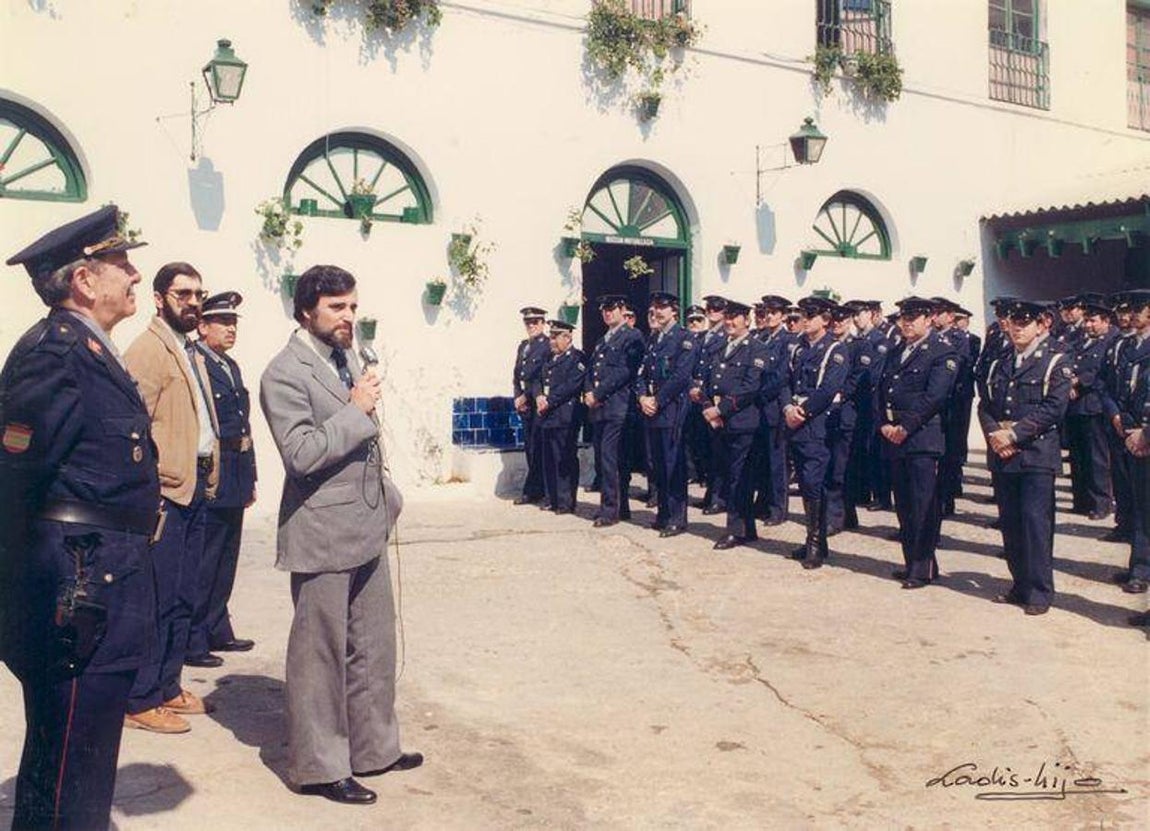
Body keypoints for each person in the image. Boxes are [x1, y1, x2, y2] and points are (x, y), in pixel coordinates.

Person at [1, 205, 159, 831]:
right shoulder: (55, 353)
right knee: (71, 762)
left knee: (75, 760)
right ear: (85, 280)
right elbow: (13, 481)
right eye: (123, 264)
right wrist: (32, 596)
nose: (136, 275)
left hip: (99, 585)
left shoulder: (94, 349)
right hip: (74, 592)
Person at [260, 264, 417, 806]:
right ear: (306, 311)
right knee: (321, 652)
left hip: (366, 522)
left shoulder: (345, 356)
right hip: (322, 529)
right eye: (337, 308)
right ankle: (321, 766)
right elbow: (301, 454)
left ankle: (375, 748)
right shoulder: (284, 372)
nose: (349, 317)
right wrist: (355, 411)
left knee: (373, 643)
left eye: (352, 306)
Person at [123, 261, 220, 733]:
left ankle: (167, 684)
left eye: (199, 293)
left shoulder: (189, 349)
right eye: (184, 294)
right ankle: (140, 697)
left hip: (196, 486)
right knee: (156, 598)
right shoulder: (148, 351)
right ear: (160, 299)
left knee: (184, 594)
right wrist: (149, 489)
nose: (194, 302)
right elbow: (131, 429)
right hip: (165, 493)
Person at [978, 299, 1072, 614]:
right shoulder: (999, 361)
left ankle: (1039, 592)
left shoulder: (1055, 361)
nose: (1017, 328)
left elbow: (1054, 408)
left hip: (1035, 454)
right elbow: (985, 404)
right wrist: (994, 435)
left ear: (1041, 325)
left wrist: (1014, 434)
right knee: (1011, 524)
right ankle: (1019, 584)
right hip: (1003, 453)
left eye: (1024, 323)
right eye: (1013, 322)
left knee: (1035, 524)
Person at [189, 292, 256, 659]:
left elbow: (244, 425)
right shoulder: (196, 362)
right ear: (202, 326)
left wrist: (252, 476)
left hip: (236, 468)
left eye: (234, 323)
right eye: (222, 322)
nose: (231, 329)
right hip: (213, 470)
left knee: (227, 555)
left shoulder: (230, 365)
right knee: (206, 558)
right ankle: (194, 637)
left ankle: (218, 628)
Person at [878, 297, 957, 589]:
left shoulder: (941, 352)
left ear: (929, 319)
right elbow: (881, 391)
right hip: (894, 437)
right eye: (904, 317)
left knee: (924, 505)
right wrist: (883, 424)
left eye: (914, 317)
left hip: (922, 437)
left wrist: (905, 426)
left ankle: (922, 567)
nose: (907, 322)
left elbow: (935, 396)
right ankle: (913, 561)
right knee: (905, 505)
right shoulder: (896, 351)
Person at [784, 296, 849, 569]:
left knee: (814, 485)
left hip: (816, 426)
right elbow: (784, 381)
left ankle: (816, 544)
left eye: (812, 315)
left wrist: (802, 412)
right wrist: (787, 406)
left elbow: (828, 389)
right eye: (804, 314)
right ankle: (815, 539)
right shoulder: (798, 349)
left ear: (825, 319)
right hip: (794, 423)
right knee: (804, 484)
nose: (805, 319)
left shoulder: (835, 350)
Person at [698, 301, 770, 549]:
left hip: (742, 422)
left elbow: (750, 386)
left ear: (746, 321)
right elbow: (708, 382)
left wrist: (721, 409)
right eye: (727, 318)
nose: (729, 322)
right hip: (719, 422)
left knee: (738, 478)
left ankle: (735, 530)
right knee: (729, 474)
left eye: (735, 318)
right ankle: (746, 528)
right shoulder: (720, 348)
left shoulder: (756, 349)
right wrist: (709, 407)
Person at [636, 291, 696, 537]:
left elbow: (681, 376)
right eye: (655, 308)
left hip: (671, 410)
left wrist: (657, 400)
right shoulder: (654, 339)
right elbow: (641, 373)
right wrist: (641, 397)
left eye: (662, 308)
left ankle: (676, 518)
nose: (657, 312)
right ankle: (662, 514)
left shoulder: (685, 339)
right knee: (657, 465)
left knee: (673, 466)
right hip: (651, 411)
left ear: (674, 311)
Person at [584, 296, 644, 527]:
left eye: (611, 309)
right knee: (604, 460)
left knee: (612, 460)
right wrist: (589, 392)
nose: (607, 314)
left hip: (617, 406)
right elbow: (592, 370)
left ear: (622, 310)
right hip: (600, 408)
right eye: (604, 311)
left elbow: (624, 372)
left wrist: (597, 394)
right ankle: (619, 507)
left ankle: (610, 511)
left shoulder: (632, 336)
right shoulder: (602, 340)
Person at [1107, 289, 1150, 593]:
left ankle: (1142, 570)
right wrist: (1116, 415)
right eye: (1130, 308)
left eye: (1140, 308)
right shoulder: (1125, 347)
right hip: (1129, 433)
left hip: (1145, 435)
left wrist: (1145, 433)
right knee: (1137, 506)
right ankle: (1140, 566)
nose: (1132, 314)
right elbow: (1109, 386)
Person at [1065, 298, 1117, 520]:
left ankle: (1101, 503)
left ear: (1105, 321)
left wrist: (1078, 383)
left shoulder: (1110, 341)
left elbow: (1100, 373)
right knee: (1077, 456)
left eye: (1093, 321)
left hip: (1094, 406)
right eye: (1086, 321)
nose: (1088, 325)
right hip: (1075, 406)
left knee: (1097, 457)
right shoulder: (1081, 342)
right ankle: (1081, 500)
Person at [750, 295, 794, 526]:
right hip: (759, 407)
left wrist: (757, 392)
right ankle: (763, 502)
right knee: (761, 458)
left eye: (773, 312)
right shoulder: (761, 338)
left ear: (783, 316)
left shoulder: (789, 341)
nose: (768, 316)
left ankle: (778, 508)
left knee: (777, 460)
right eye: (766, 312)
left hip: (774, 405)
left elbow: (780, 377)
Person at [536, 319, 586, 514]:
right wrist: (539, 395)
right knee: (548, 458)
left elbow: (572, 385)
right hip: (547, 415)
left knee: (564, 458)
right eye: (551, 337)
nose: (552, 341)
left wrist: (550, 400)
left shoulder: (577, 358)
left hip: (566, 415)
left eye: (556, 337)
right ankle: (551, 498)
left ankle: (566, 501)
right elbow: (536, 379)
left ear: (567, 337)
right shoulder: (549, 358)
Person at [512, 307, 550, 506]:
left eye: (536, 322)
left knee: (539, 448)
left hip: (538, 402)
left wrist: (526, 397)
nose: (532, 326)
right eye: (528, 323)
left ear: (543, 323)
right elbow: (517, 375)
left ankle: (542, 490)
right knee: (530, 448)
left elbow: (539, 376)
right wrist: (517, 396)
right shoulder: (523, 346)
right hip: (525, 404)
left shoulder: (546, 345)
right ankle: (533, 490)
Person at [696, 296, 729, 513]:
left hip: (716, 399)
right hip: (700, 397)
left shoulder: (726, 336)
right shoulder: (703, 336)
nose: (711, 312)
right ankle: (710, 493)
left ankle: (719, 496)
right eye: (709, 308)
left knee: (719, 451)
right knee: (706, 449)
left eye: (716, 308)